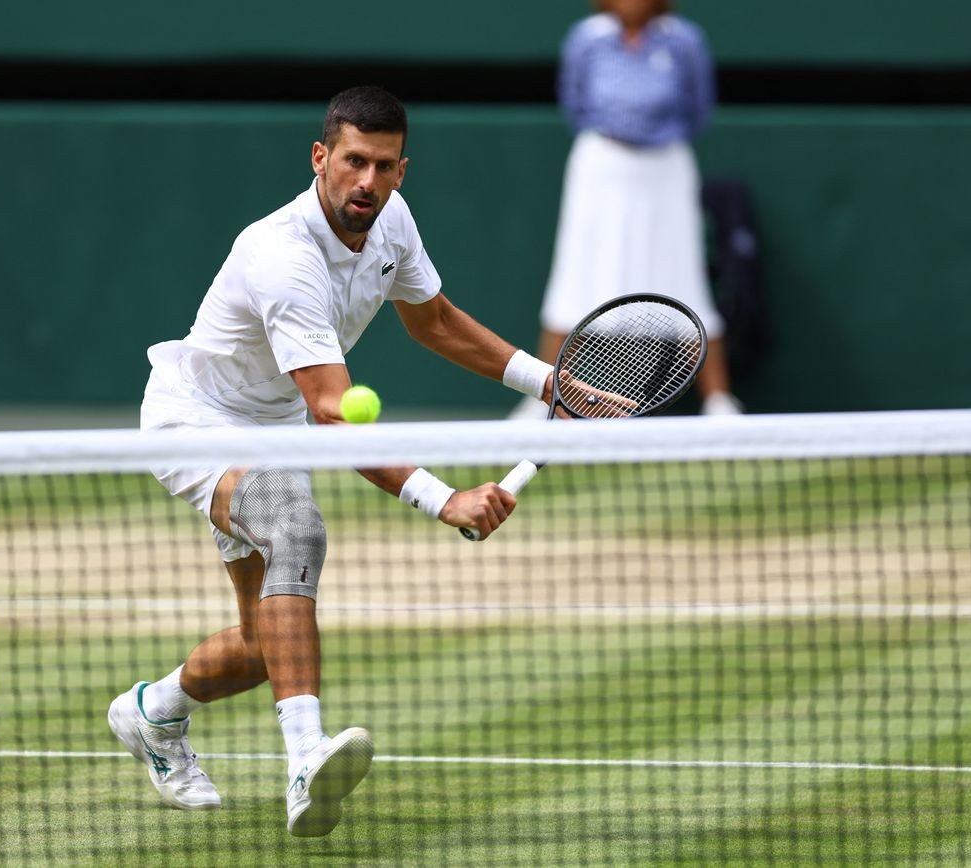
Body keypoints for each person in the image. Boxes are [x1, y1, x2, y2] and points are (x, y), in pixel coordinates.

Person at [107, 85, 559, 838]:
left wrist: (551, 383)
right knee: (297, 526)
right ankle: (305, 757)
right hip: (197, 418)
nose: (366, 182)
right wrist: (444, 498)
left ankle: (153, 712)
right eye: (353, 162)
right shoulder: (281, 256)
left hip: (277, 423)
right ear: (320, 158)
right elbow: (330, 412)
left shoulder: (391, 221)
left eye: (383, 167)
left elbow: (435, 322)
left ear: (402, 171)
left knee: (265, 646)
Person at [511, 0, 742, 419]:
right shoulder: (586, 38)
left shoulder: (685, 40)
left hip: (666, 171)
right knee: (576, 277)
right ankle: (540, 397)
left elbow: (699, 110)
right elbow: (575, 104)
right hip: (601, 171)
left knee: (684, 278)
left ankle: (719, 401)